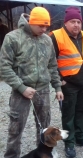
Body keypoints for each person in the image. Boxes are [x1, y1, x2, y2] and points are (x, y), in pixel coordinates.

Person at [0, 7, 63, 158]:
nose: (44, 29)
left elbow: (53, 65)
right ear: (31, 22)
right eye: (41, 25)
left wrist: (57, 87)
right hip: (20, 92)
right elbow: (4, 66)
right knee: (15, 130)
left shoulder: (47, 40)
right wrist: (21, 87)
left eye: (46, 26)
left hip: (43, 91)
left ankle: (43, 155)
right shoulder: (13, 38)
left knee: (45, 128)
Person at [49, 6, 83, 158]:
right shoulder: (55, 36)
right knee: (68, 115)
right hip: (68, 84)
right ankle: (69, 143)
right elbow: (50, 62)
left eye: (78, 22)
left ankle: (80, 138)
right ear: (66, 23)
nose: (76, 25)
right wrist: (59, 81)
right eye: (73, 21)